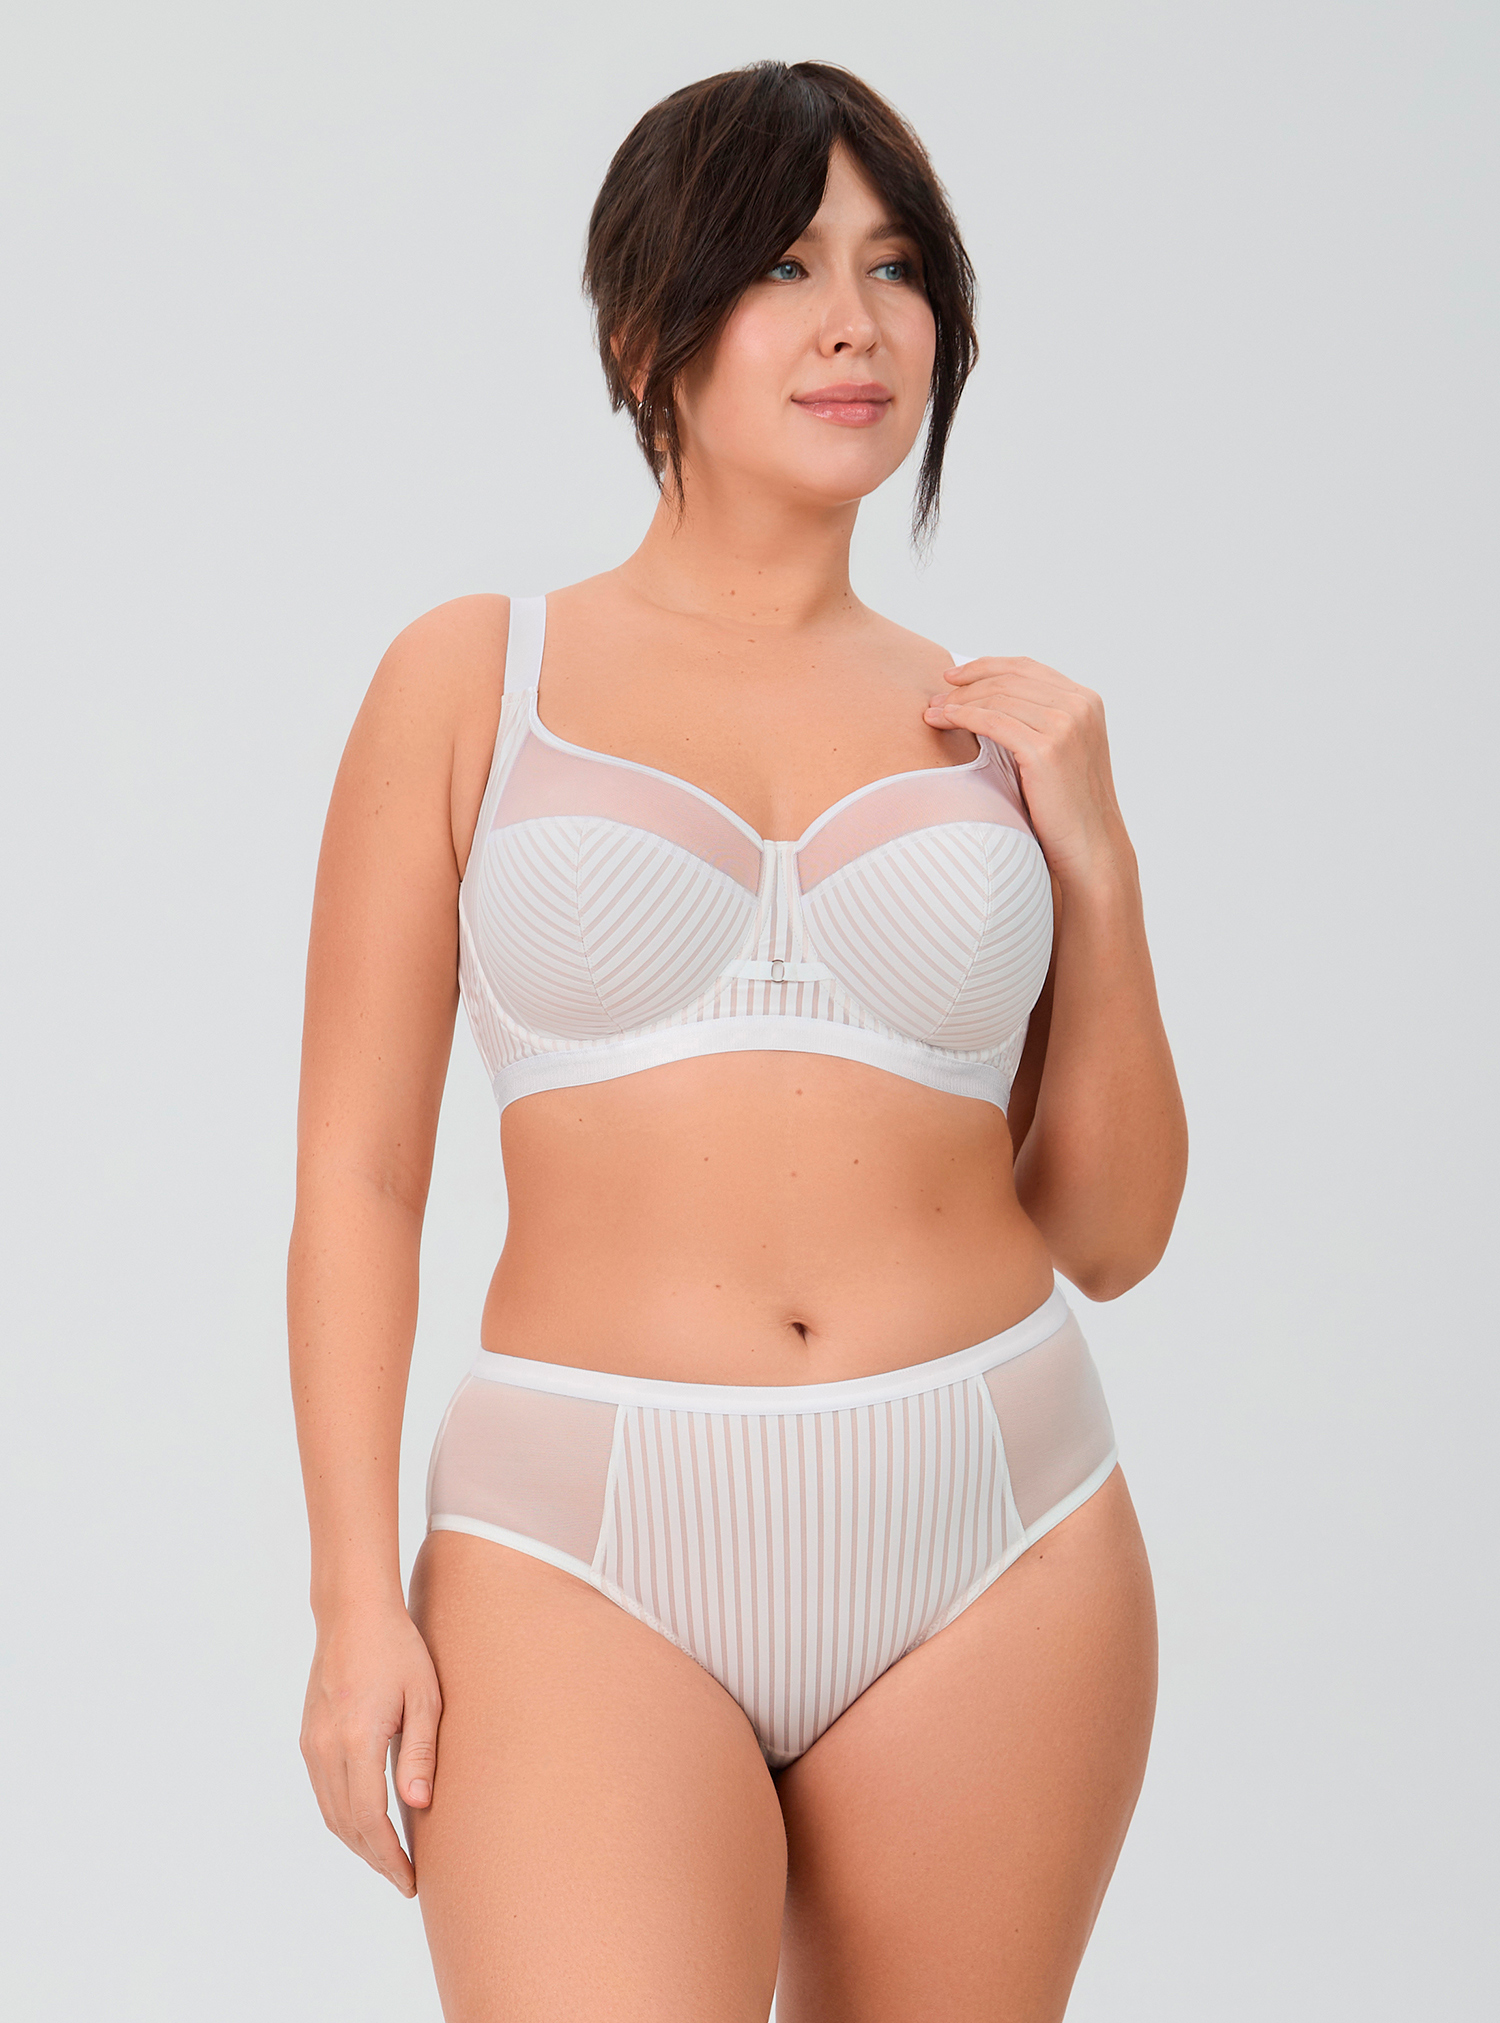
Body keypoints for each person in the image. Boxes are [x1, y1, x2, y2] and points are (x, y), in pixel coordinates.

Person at [289, 58, 1187, 2023]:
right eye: (784, 264)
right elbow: (360, 1177)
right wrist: (356, 1600)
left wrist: (1100, 869)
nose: (856, 318)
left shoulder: (998, 733)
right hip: (578, 1544)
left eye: (895, 264)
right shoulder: (475, 678)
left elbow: (1110, 1235)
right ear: (648, 334)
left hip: (1000, 1531)